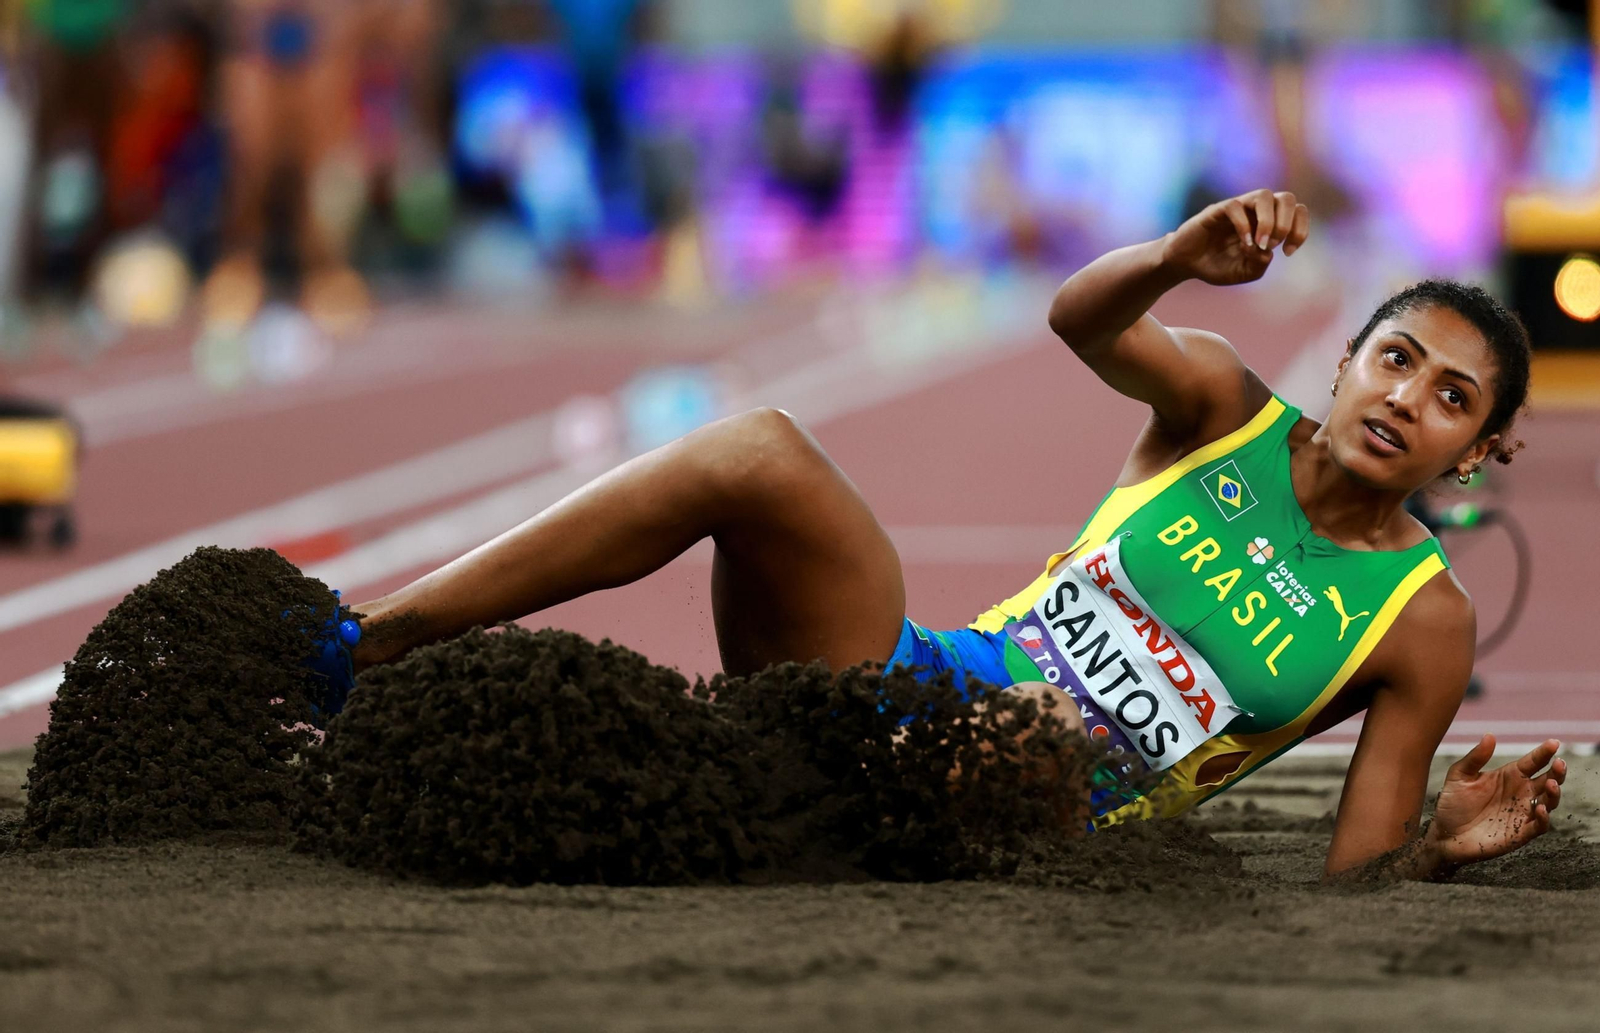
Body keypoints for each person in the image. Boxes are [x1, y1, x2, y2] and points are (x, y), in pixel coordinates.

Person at [317, 188, 1563, 881]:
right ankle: (371, 644)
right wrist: (1173, 257)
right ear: (1345, 361)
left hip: (1027, 812)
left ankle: (732, 805)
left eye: (1451, 397)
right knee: (761, 448)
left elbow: (1352, 875)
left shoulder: (1422, 621)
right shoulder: (1222, 409)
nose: (1406, 398)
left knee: (1041, 728)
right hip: (905, 688)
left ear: (1479, 450)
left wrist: (1436, 853)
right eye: (1395, 359)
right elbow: (1079, 322)